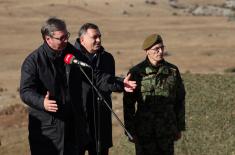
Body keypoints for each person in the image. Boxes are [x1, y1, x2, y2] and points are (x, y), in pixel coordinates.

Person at [19, 17, 78, 155]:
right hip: (46, 129)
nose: (66, 40)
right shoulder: (33, 61)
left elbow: (92, 73)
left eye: (67, 36)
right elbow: (25, 91)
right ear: (48, 39)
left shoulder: (71, 52)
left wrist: (118, 83)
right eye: (61, 38)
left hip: (70, 127)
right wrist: (42, 102)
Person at [123, 34, 186, 155]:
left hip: (167, 130)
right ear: (147, 51)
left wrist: (179, 127)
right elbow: (128, 103)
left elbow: (180, 99)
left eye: (162, 48)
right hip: (144, 131)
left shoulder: (172, 71)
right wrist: (129, 130)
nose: (160, 51)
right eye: (156, 49)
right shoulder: (136, 72)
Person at [73, 23, 123, 155]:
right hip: (79, 123)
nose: (99, 40)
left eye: (100, 36)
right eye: (94, 37)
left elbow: (107, 83)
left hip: (101, 121)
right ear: (82, 39)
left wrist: (122, 84)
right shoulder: (71, 58)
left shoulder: (107, 58)